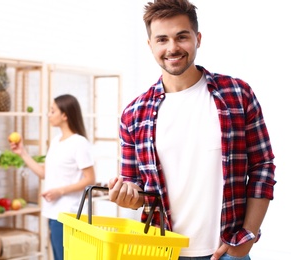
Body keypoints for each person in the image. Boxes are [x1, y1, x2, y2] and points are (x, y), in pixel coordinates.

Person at [108, 1, 276, 260]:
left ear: (197, 39)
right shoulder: (133, 114)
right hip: (159, 251)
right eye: (162, 39)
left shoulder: (237, 94)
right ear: (150, 45)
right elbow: (137, 188)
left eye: (181, 37)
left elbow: (262, 166)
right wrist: (128, 196)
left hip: (227, 252)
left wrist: (248, 235)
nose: (172, 48)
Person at [9, 94, 96, 260]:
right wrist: (23, 153)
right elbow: (45, 174)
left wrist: (60, 191)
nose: (49, 114)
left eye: (52, 110)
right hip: (53, 213)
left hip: (68, 214)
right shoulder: (56, 141)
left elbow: (90, 179)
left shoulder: (79, 143)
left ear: (65, 115)